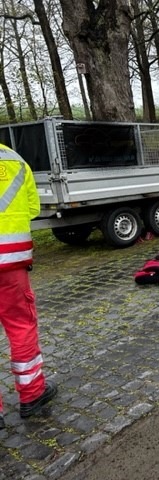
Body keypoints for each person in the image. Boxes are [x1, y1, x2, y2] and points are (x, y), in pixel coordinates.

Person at [0, 143, 57, 429]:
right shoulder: (14, 160)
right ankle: (32, 395)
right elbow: (33, 207)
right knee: (21, 326)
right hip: (11, 263)